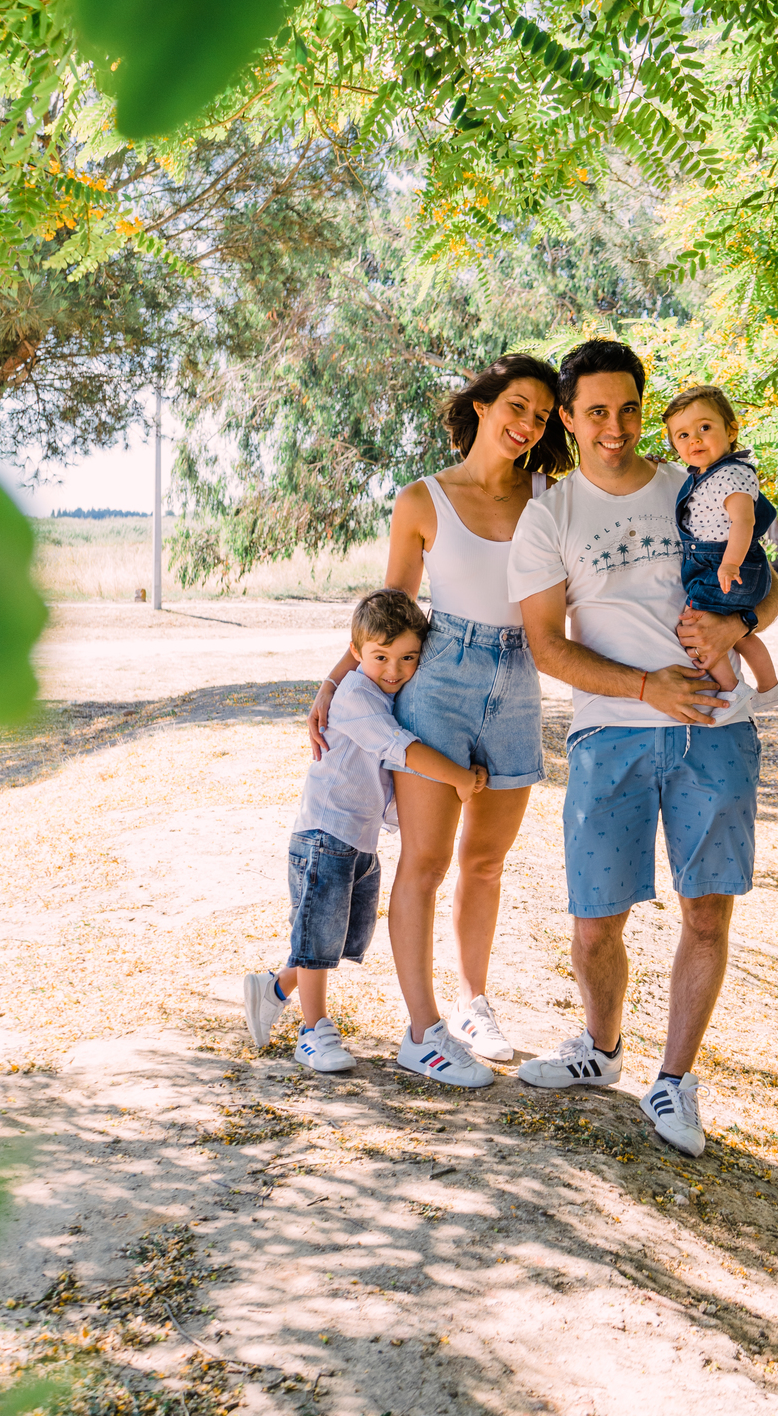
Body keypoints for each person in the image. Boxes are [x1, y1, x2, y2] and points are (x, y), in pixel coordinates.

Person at [506, 338, 778, 1159]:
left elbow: (762, 582)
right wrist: (644, 687)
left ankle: (674, 1080)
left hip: (714, 731)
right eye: (597, 412)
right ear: (568, 417)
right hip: (609, 734)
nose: (619, 427)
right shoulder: (549, 515)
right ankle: (601, 1047)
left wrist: (743, 625)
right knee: (596, 923)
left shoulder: (693, 484)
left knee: (706, 913)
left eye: (630, 409)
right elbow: (547, 648)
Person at [306, 354, 572, 1087]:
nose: (527, 425)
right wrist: (338, 678)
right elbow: (389, 609)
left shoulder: (553, 499)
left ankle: (471, 1007)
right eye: (517, 406)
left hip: (519, 678)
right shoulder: (422, 499)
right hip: (440, 675)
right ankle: (420, 1031)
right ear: (483, 405)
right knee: (424, 863)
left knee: (484, 862)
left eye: (543, 417)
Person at [244, 590, 487, 1071]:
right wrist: (458, 777)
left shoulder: (386, 694)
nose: (393, 670)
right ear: (356, 653)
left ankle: (271, 989)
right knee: (318, 939)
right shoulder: (355, 694)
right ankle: (313, 1031)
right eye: (380, 657)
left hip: (359, 840)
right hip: (324, 833)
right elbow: (401, 750)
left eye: (407, 658)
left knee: (337, 937)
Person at [663, 384, 778, 718]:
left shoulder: (731, 474)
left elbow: (744, 521)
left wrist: (730, 563)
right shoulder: (704, 476)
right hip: (714, 560)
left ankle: (733, 690)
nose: (695, 440)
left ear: (731, 430)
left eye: (705, 428)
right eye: (683, 435)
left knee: (695, 630)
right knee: (738, 635)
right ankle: (770, 686)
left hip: (722, 562)